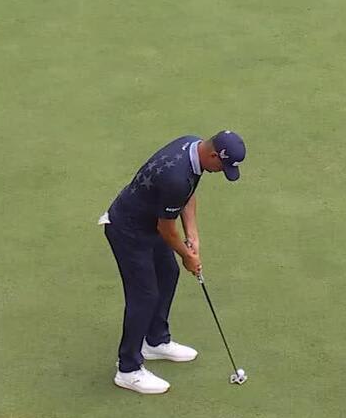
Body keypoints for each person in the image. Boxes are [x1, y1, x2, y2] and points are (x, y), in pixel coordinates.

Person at [98, 130, 246, 395]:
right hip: (127, 230)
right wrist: (187, 255)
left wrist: (193, 237)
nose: (220, 171)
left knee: (168, 274)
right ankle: (128, 369)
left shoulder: (193, 148)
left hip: (148, 225)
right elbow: (166, 228)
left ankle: (155, 340)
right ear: (212, 154)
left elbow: (188, 195)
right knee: (144, 296)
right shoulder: (175, 176)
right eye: (221, 166)